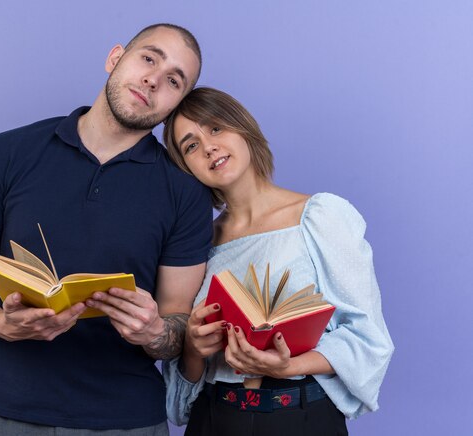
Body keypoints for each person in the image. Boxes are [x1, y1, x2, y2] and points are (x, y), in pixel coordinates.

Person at [0, 24, 213, 435]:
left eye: (174, 80)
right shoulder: (8, 152)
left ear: (176, 102)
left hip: (127, 421)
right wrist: (3, 325)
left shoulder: (186, 194)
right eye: (149, 58)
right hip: (5, 414)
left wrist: (156, 331)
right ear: (115, 58)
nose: (154, 80)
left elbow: (178, 324)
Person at [162, 87, 394, 435]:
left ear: (243, 128)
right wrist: (194, 348)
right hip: (214, 418)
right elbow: (180, 401)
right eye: (191, 145)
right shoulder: (195, 243)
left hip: (302, 417)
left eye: (215, 128)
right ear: (186, 166)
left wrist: (287, 366)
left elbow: (367, 338)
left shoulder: (318, 217)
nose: (208, 146)